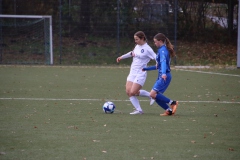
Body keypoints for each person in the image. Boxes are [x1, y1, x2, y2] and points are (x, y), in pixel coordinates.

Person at [116, 31, 156, 115]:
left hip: (140, 73)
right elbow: (132, 53)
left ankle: (150, 96)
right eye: (135, 39)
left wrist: (159, 65)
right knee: (128, 91)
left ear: (142, 38)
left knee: (133, 92)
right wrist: (121, 57)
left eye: (137, 39)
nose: (135, 41)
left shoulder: (147, 49)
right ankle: (139, 110)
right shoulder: (137, 46)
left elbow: (156, 58)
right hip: (132, 72)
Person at [142, 33, 178, 116]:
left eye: (155, 42)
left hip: (164, 76)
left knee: (152, 94)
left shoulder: (162, 50)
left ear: (160, 41)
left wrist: (164, 74)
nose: (155, 44)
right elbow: (158, 66)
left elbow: (163, 62)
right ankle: (168, 110)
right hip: (162, 76)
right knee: (155, 95)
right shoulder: (161, 50)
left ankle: (173, 103)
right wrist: (146, 69)